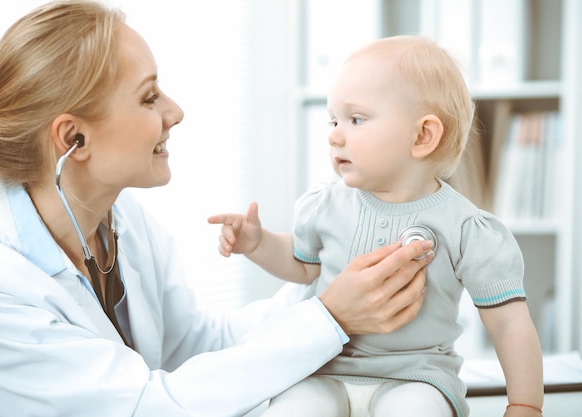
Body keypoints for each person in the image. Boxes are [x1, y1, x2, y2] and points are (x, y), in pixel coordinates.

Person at [0, 2, 434, 416]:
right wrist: (331, 318)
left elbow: (192, 348)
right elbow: (144, 405)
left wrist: (333, 282)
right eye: (149, 97)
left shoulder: (119, 221)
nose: (175, 111)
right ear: (72, 139)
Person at [208, 35, 544, 417]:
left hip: (417, 377)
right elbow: (303, 267)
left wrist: (525, 403)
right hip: (324, 368)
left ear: (422, 136)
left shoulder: (467, 229)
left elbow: (508, 324)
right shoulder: (326, 205)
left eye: (356, 119)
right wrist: (258, 244)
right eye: (333, 120)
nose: (334, 134)